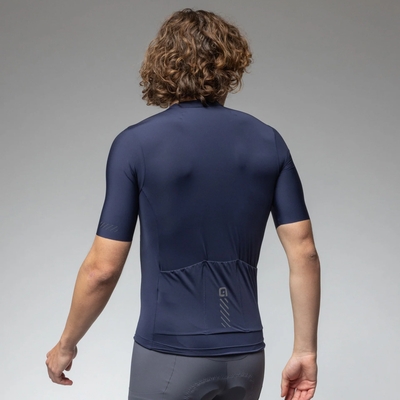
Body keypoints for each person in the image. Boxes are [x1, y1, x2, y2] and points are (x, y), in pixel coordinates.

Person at [46, 8, 320, 400]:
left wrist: (66, 344)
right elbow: (304, 253)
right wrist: (305, 352)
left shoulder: (136, 145)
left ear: (164, 65)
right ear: (230, 63)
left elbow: (101, 270)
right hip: (247, 358)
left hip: (170, 356)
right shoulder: (268, 141)